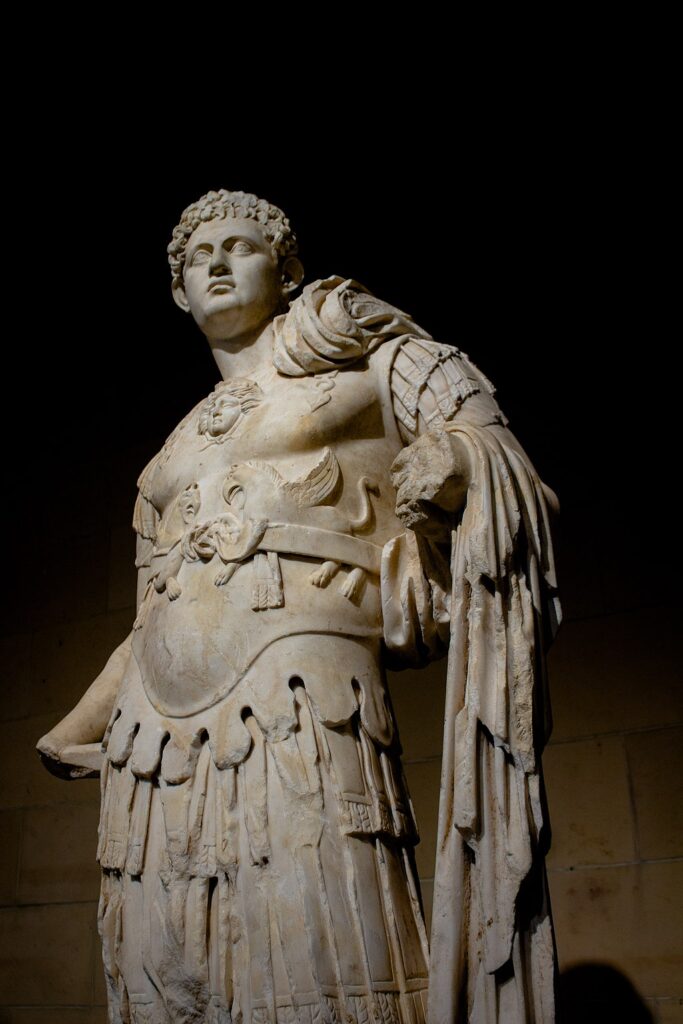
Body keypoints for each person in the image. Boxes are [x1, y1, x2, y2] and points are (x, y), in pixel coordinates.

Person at [37, 189, 561, 1024]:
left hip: (301, 702)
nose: (215, 262)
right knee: (166, 976)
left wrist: (455, 469)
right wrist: (81, 720)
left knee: (316, 967)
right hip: (150, 742)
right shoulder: (172, 451)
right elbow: (151, 614)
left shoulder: (367, 357)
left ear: (286, 270)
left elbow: (497, 459)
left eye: (239, 246)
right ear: (178, 292)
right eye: (196, 256)